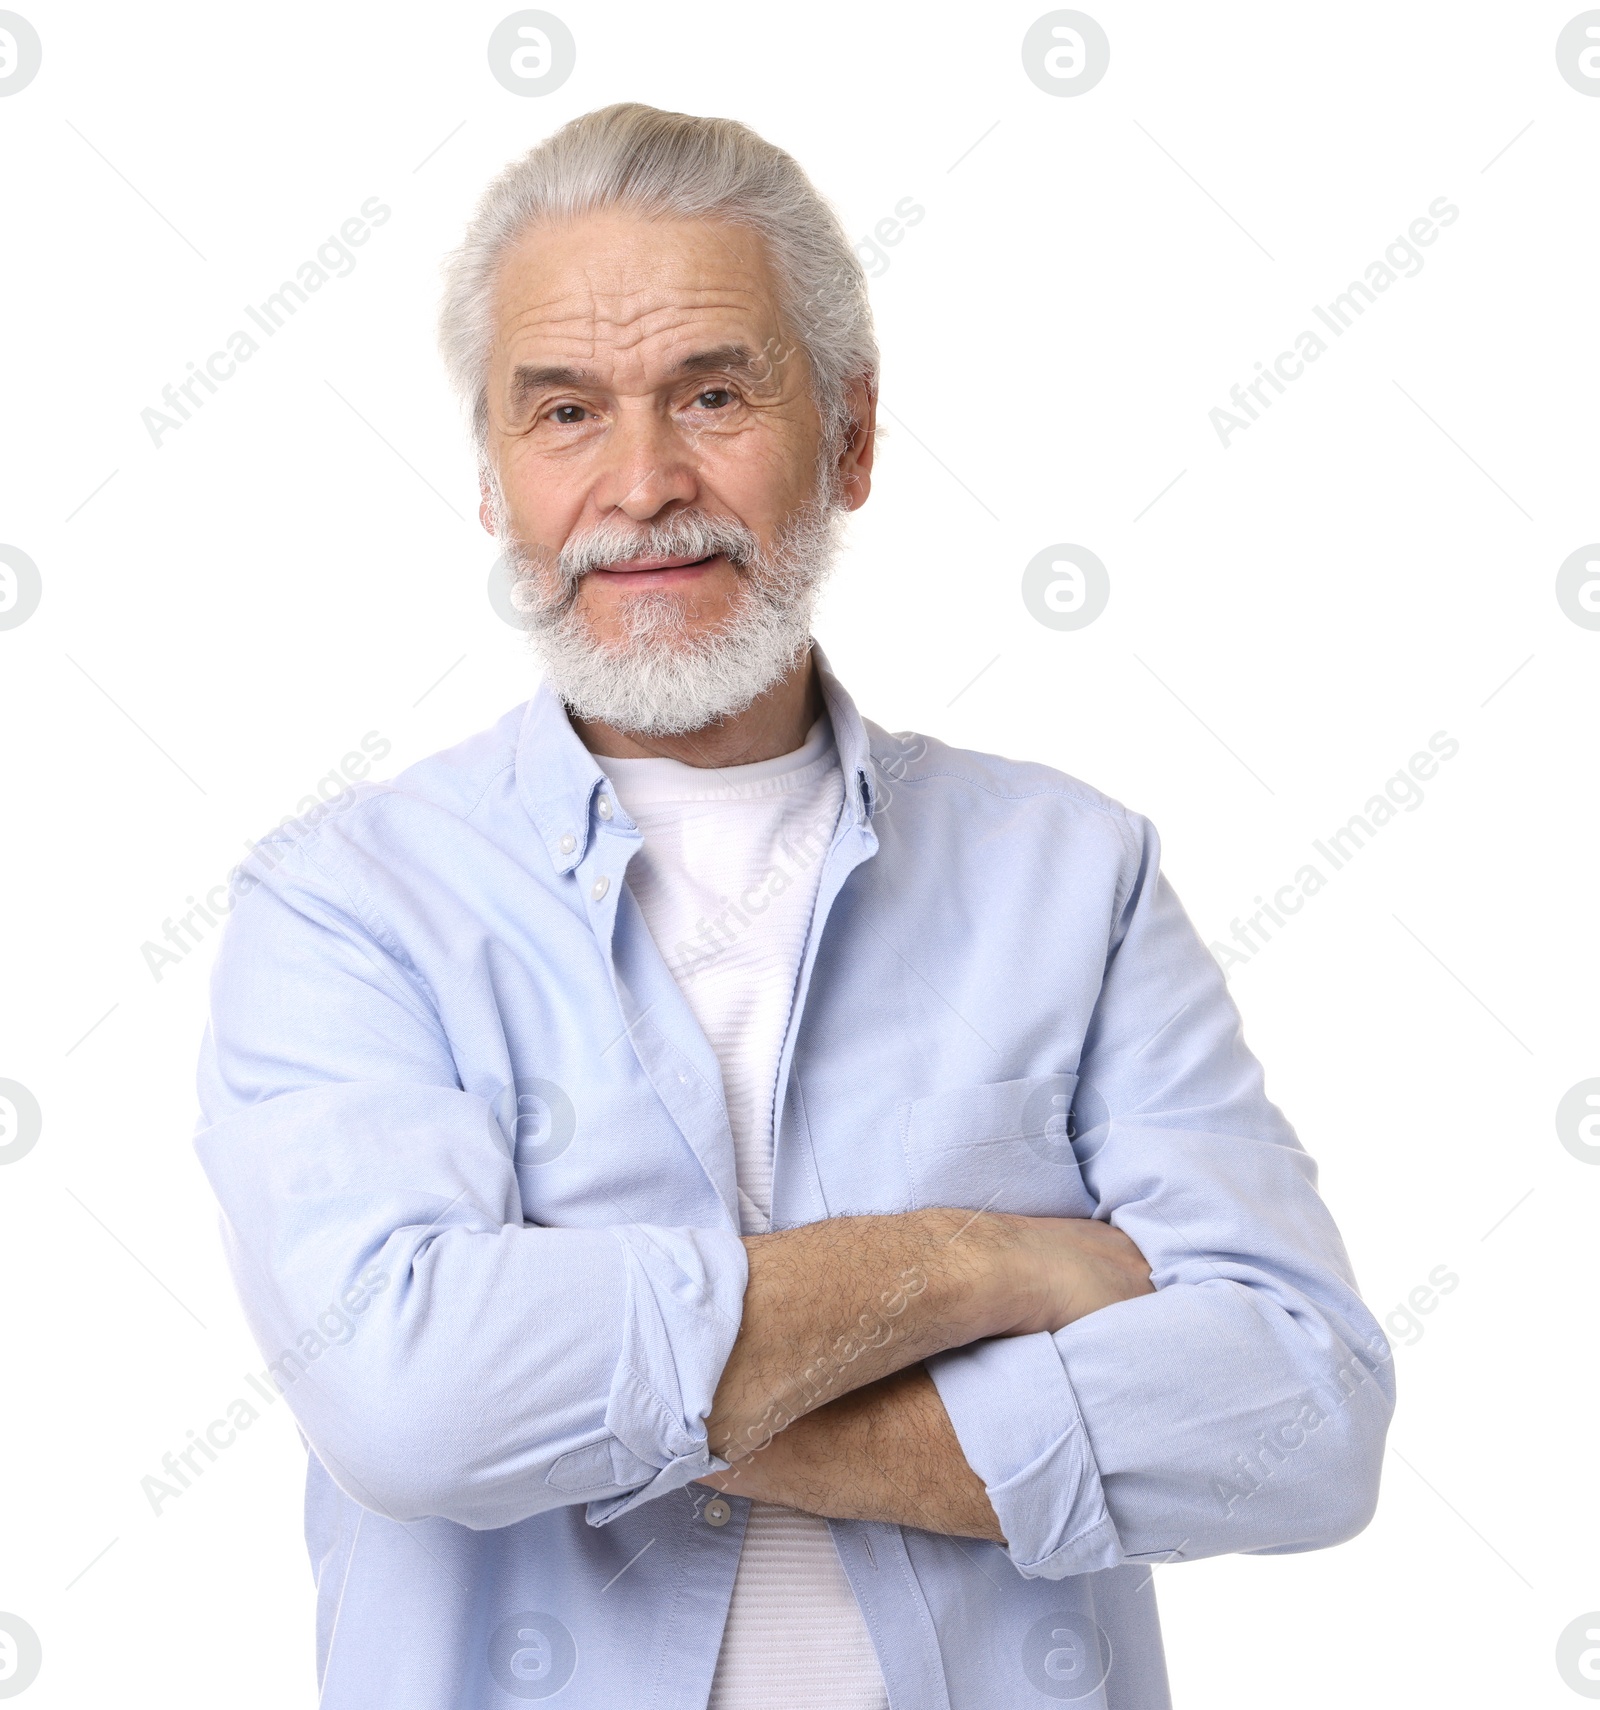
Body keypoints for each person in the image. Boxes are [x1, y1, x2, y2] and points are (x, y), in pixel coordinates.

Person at [194, 103, 1393, 1710]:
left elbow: (1303, 1416)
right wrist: (987, 1263)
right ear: (493, 479)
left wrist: (604, 1384)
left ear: (852, 437)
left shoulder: (1074, 873)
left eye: (712, 391)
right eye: (563, 412)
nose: (643, 485)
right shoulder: (344, 907)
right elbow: (408, 1395)